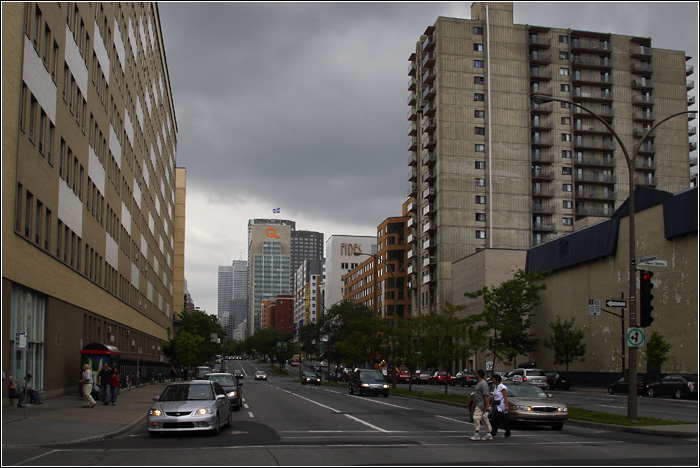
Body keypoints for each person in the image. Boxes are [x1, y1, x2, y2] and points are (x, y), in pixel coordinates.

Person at [470, 370, 492, 441]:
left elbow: (486, 395)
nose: (475, 375)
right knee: (484, 419)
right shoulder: (479, 383)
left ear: (478, 375)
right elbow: (477, 394)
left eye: (476, 373)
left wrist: (486, 406)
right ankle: (488, 434)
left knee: (476, 418)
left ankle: (476, 434)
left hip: (482, 404)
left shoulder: (483, 384)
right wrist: (474, 403)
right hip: (479, 403)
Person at [490, 373, 511, 438]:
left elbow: (505, 396)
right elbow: (495, 397)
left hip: (501, 405)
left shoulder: (502, 387)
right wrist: (491, 404)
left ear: (497, 380)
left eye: (494, 380)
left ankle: (493, 433)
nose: (493, 381)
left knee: (495, 419)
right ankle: (508, 432)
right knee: (504, 419)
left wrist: (507, 405)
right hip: (497, 404)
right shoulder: (495, 387)